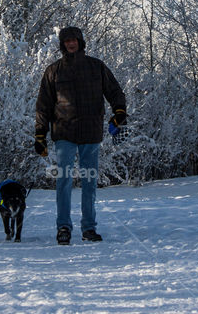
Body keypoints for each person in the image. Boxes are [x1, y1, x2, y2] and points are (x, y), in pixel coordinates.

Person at [34, 26, 127, 245]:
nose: (71, 43)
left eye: (74, 40)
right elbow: (43, 105)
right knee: (63, 181)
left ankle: (89, 228)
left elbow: (115, 91)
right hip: (63, 133)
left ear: (80, 42)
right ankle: (63, 228)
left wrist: (119, 112)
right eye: (66, 41)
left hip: (90, 132)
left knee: (89, 182)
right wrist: (40, 134)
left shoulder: (96, 67)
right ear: (62, 45)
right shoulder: (53, 71)